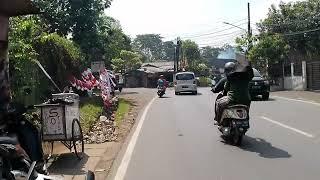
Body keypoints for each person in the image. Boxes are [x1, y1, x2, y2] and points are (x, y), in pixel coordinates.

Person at [0, 90, 47, 174]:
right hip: (6, 124)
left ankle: (35, 162)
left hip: (7, 122)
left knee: (30, 130)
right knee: (30, 132)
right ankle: (35, 160)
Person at [214, 61, 254, 126]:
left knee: (218, 103)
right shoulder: (247, 77)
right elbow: (251, 74)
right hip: (246, 100)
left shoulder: (230, 77)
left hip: (232, 99)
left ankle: (218, 121)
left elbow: (226, 88)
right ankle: (247, 122)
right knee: (246, 110)